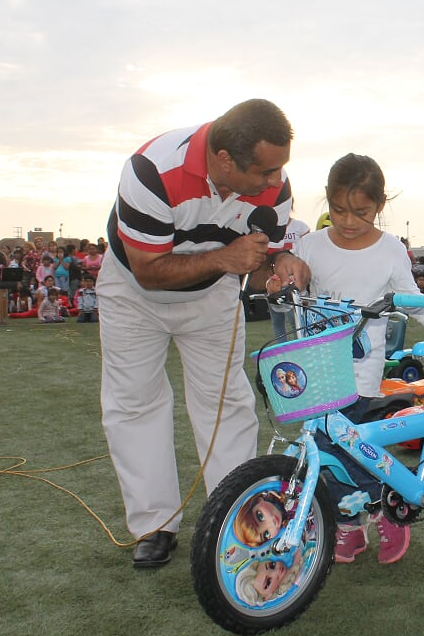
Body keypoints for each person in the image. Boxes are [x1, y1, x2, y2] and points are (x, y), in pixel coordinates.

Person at [98, 98, 310, 569]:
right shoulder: (151, 170)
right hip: (134, 293)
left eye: (281, 168)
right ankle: (154, 525)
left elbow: (265, 256)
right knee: (135, 403)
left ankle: (236, 518)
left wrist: (281, 262)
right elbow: (148, 271)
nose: (277, 181)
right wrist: (224, 259)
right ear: (224, 160)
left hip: (213, 294)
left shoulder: (275, 188)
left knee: (226, 403)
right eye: (266, 171)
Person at [288, 153, 424, 565]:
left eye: (361, 212)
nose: (348, 221)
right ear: (327, 199)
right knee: (329, 451)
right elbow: (286, 284)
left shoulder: (389, 251)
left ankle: (383, 507)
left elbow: (417, 304)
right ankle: (350, 523)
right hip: (313, 371)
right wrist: (282, 274)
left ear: (380, 205)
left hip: (358, 373)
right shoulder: (309, 246)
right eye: (339, 210)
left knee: (342, 447)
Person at [268, 215, 311, 339]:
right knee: (277, 320)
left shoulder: (300, 227)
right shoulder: (270, 227)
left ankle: (300, 345)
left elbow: (307, 250)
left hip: (294, 281)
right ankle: (282, 348)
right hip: (274, 279)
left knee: (296, 321)